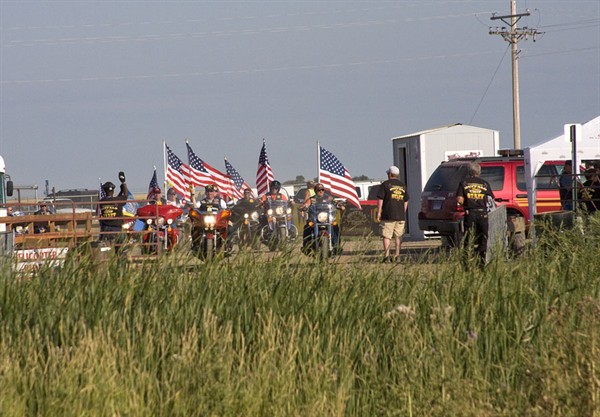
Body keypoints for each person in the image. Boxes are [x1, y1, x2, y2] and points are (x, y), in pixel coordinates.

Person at [456, 162, 496, 265]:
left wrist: (467, 202)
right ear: (479, 172)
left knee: (469, 238)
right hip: (483, 214)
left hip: (470, 214)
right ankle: (481, 260)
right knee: (484, 238)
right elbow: (491, 199)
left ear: (469, 171)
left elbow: (459, 200)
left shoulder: (464, 183)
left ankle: (467, 262)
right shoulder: (484, 184)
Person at [376, 166, 409, 262]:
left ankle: (386, 256)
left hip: (388, 214)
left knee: (387, 235)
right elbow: (406, 200)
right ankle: (397, 255)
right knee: (398, 236)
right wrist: (403, 211)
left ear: (390, 174)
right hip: (400, 215)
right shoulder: (402, 185)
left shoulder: (385, 184)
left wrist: (379, 212)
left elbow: (380, 199)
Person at [301, 182, 345, 254]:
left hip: (327, 218)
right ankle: (306, 246)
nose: (321, 191)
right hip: (315, 219)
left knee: (335, 226)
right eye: (319, 190)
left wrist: (340, 205)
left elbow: (335, 202)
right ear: (315, 191)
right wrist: (303, 207)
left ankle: (336, 245)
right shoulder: (312, 199)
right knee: (307, 227)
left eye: (322, 189)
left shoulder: (329, 198)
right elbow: (306, 204)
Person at [98, 171, 129, 243]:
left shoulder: (101, 202)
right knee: (121, 247)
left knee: (105, 248)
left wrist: (121, 191)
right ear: (113, 191)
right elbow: (125, 196)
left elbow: (115, 199)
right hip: (117, 228)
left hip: (105, 229)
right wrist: (123, 183)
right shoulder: (117, 200)